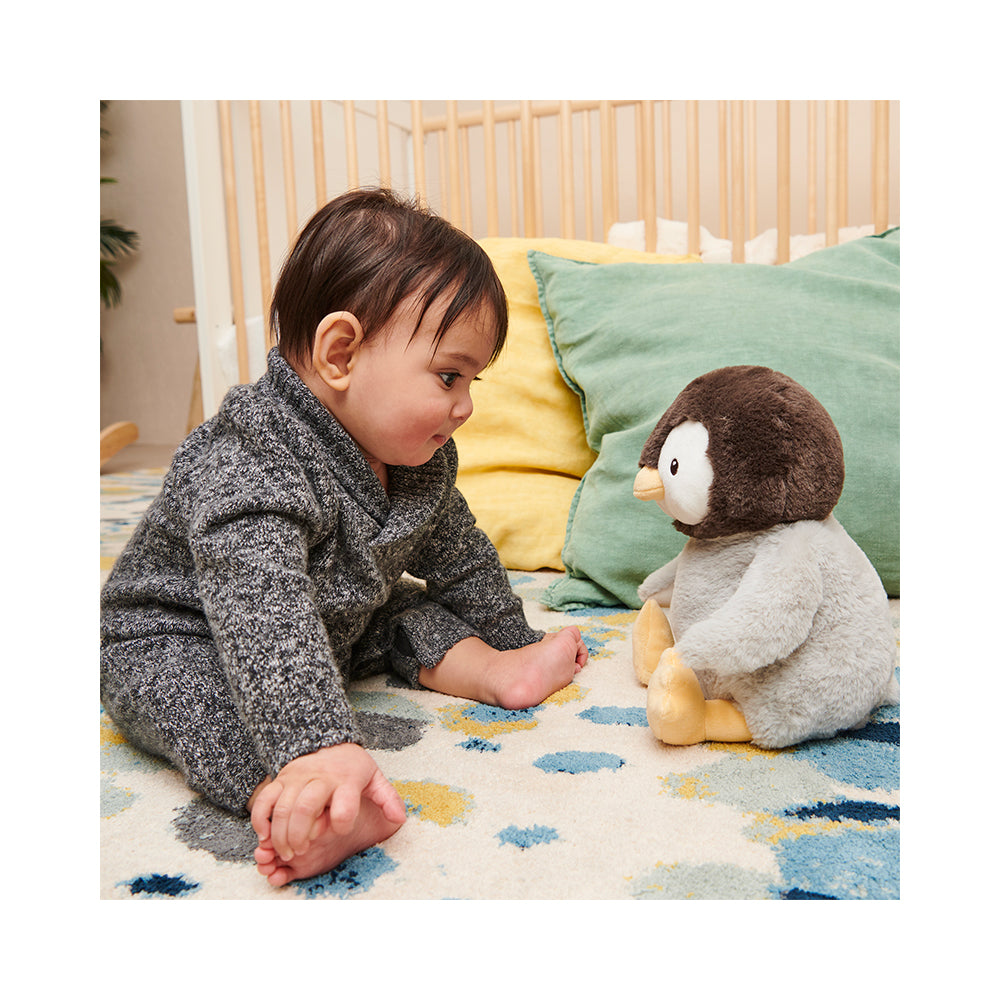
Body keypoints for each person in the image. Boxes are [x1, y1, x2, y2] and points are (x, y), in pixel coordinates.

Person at [100, 188, 588, 888]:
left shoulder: (418, 462)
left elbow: (461, 557)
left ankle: (496, 671)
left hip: (334, 618)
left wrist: (512, 636)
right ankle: (312, 804)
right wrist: (318, 745)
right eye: (450, 376)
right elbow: (263, 608)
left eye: (473, 381)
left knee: (411, 610)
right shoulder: (251, 454)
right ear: (340, 354)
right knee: (206, 703)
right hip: (183, 633)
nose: (465, 406)